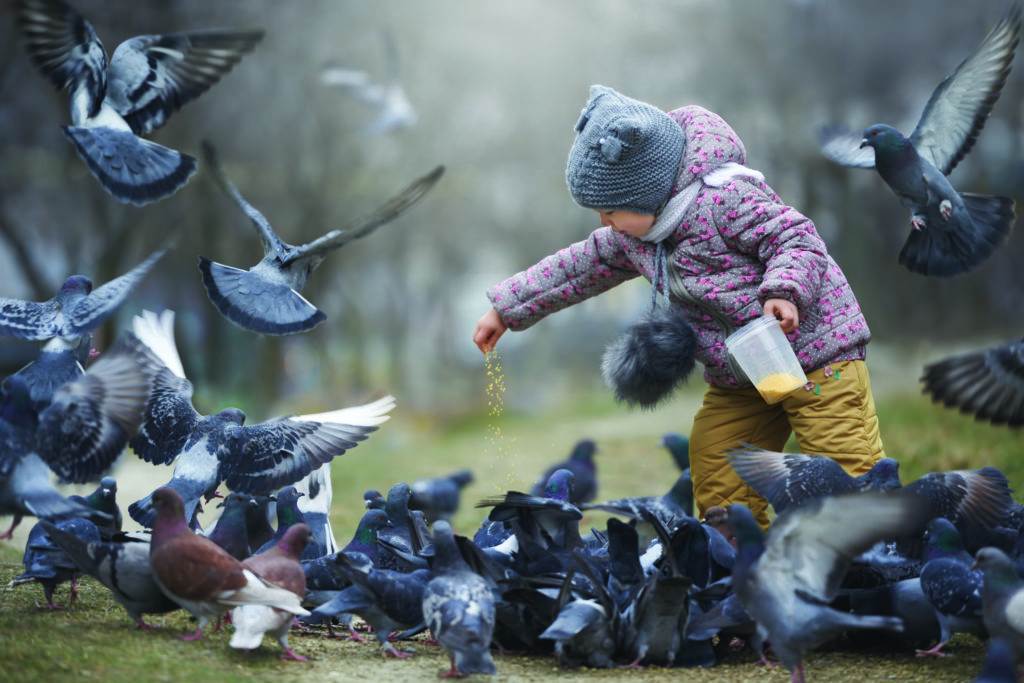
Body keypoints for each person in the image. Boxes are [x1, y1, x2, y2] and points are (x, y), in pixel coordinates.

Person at [472, 85, 883, 526]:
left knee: (841, 463)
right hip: (744, 373)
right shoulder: (634, 238)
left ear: (648, 192)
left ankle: (873, 552)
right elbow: (576, 269)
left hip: (819, 354)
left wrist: (784, 290)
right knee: (719, 460)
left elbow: (795, 237)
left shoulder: (725, 197)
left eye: (610, 210)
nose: (603, 222)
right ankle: (734, 558)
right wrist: (507, 309)